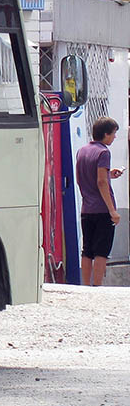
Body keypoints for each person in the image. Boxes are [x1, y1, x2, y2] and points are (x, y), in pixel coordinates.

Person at [76, 116, 123, 286]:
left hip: (86, 209)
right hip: (102, 209)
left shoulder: (82, 151)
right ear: (105, 134)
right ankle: (97, 286)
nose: (114, 137)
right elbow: (101, 182)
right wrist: (112, 211)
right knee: (101, 251)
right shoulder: (104, 152)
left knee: (87, 249)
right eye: (113, 134)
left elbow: (83, 176)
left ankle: (86, 286)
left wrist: (110, 174)